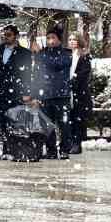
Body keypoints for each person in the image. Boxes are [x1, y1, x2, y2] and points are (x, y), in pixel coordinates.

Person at [0, 25, 33, 160]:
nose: (6, 37)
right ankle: (6, 149)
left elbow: (28, 74)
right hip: (1, 91)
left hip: (16, 91)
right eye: (4, 35)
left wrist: (27, 92)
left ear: (16, 36)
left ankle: (17, 150)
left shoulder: (24, 53)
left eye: (9, 35)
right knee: (3, 121)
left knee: (15, 121)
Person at [32, 26, 72, 160]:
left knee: (64, 124)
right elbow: (37, 74)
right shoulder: (42, 53)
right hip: (46, 94)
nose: (50, 41)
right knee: (47, 124)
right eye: (48, 38)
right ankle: (51, 150)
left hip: (62, 95)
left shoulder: (66, 53)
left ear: (59, 39)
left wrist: (39, 55)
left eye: (53, 38)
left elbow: (56, 64)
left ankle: (65, 149)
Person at [66, 33, 93, 155]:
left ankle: (77, 143)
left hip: (79, 92)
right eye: (70, 39)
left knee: (78, 118)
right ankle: (70, 142)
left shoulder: (84, 56)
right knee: (69, 118)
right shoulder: (67, 54)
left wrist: (73, 81)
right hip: (68, 91)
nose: (71, 41)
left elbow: (84, 73)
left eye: (74, 39)